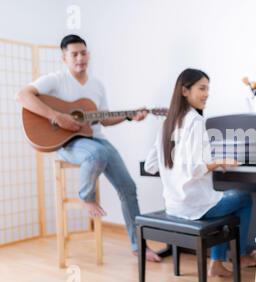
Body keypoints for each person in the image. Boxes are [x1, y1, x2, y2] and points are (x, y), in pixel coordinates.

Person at [16, 34, 161, 262]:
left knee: (129, 188)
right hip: (66, 142)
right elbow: (22, 95)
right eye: (74, 54)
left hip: (95, 139)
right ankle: (86, 195)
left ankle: (138, 246)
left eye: (83, 53)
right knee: (97, 153)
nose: (80, 58)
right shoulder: (55, 80)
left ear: (88, 55)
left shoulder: (97, 85)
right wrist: (57, 117)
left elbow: (103, 119)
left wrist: (129, 117)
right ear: (64, 58)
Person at [145, 68, 256, 277]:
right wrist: (218, 162)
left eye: (208, 89)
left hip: (174, 204)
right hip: (193, 206)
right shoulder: (195, 121)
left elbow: (151, 164)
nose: (206, 94)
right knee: (243, 198)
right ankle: (238, 257)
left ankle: (217, 262)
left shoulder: (167, 122)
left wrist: (176, 170)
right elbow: (195, 168)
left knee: (222, 197)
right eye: (202, 88)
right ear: (185, 91)